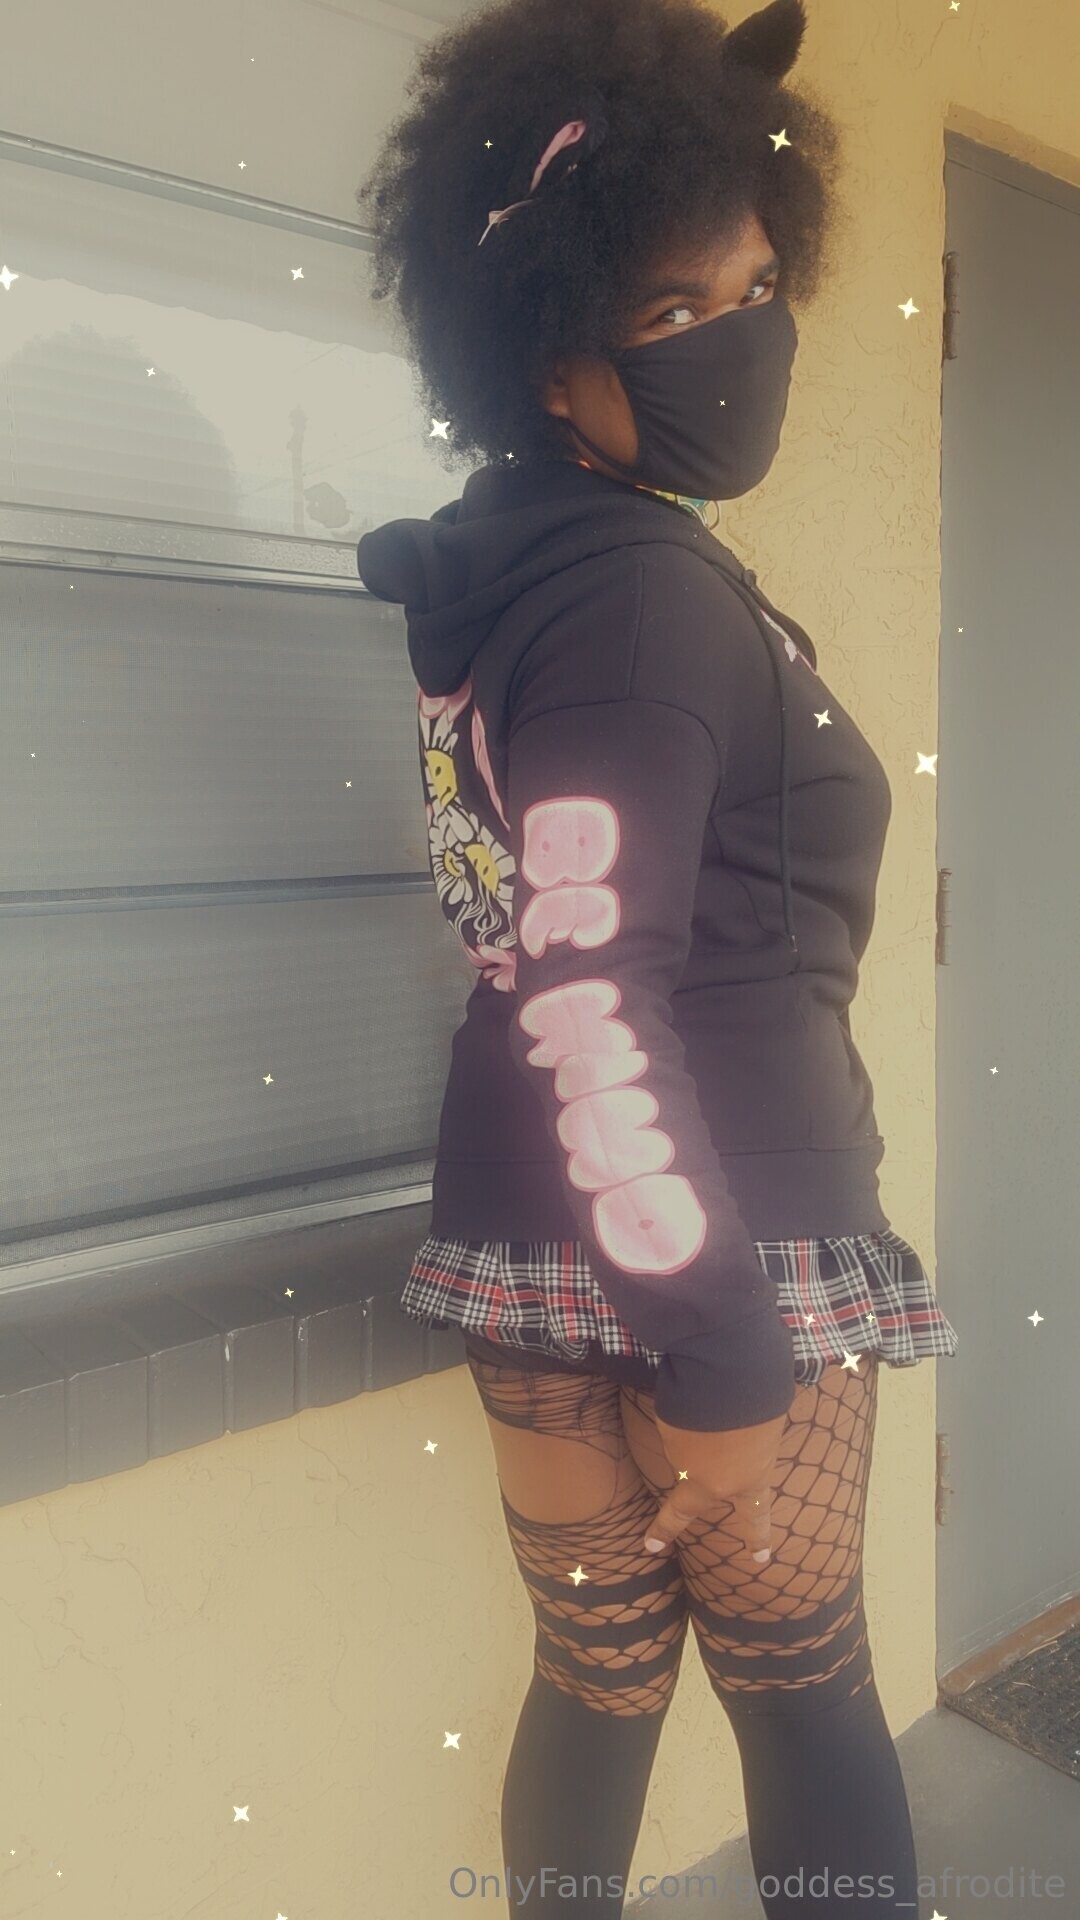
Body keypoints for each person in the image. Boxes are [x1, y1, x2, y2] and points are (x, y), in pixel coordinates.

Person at [355, 0, 958, 1913]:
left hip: (539, 1225)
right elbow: (593, 987)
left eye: (759, 288)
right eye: (677, 309)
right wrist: (713, 1335)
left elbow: (544, 953)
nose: (743, 340)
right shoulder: (642, 597)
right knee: (804, 1692)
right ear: (549, 360)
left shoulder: (529, 578)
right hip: (723, 1233)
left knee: (600, 1677)